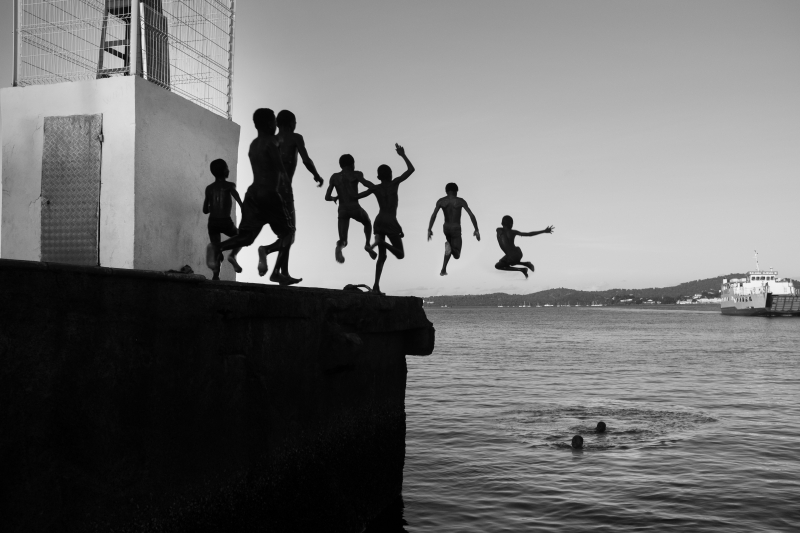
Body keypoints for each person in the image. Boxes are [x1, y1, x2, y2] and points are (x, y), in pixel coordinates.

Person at [206, 108, 300, 285]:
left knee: (246, 237)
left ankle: (217, 247)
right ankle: (265, 253)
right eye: (273, 122)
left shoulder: (253, 145)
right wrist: (286, 186)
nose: (275, 125)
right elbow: (280, 168)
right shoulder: (270, 143)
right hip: (270, 195)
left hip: (253, 194)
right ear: (267, 124)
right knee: (288, 233)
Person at [268, 110, 324, 276]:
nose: (296, 125)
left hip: (269, 190)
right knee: (290, 235)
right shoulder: (295, 137)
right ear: (291, 123)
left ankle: (281, 273)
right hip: (284, 191)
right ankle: (266, 250)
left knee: (285, 234)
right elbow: (306, 159)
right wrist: (316, 175)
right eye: (295, 122)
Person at [359, 144, 414, 295]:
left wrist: (342, 195)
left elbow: (359, 194)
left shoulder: (375, 188)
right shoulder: (395, 183)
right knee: (400, 254)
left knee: (382, 257)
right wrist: (402, 155)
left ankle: (376, 286)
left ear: (378, 177)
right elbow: (411, 170)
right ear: (391, 174)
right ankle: (381, 242)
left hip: (379, 221)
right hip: (389, 221)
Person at [325, 154, 378, 263]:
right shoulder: (356, 174)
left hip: (342, 209)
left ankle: (339, 247)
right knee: (367, 222)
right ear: (352, 164)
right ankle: (367, 244)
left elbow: (326, 197)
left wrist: (334, 198)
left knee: (343, 239)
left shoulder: (334, 177)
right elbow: (368, 185)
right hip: (354, 207)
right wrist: (370, 190)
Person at [427, 182, 480, 276]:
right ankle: (450, 250)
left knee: (449, 249)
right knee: (457, 255)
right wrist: (476, 229)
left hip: (446, 228)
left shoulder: (441, 201)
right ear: (456, 191)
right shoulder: (460, 201)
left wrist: (429, 229)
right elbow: (471, 215)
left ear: (446, 191)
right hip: (456, 228)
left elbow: (433, 216)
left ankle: (443, 269)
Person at [202, 159, 243, 280]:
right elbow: (238, 198)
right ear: (224, 171)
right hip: (225, 222)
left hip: (213, 223)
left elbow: (205, 210)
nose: (229, 170)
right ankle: (232, 255)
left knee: (216, 250)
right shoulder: (229, 186)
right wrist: (243, 207)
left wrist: (213, 206)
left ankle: (215, 276)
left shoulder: (209, 188)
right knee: (241, 237)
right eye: (227, 168)